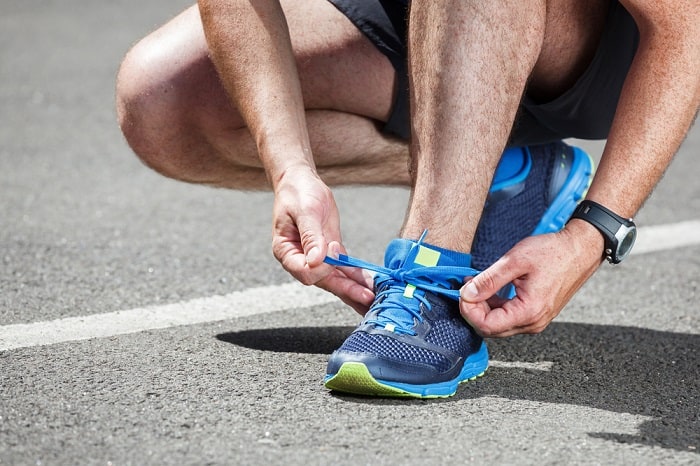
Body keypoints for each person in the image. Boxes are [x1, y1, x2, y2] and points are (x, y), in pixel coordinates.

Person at [116, 0, 699, 398]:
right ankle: (509, 174)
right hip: (423, 19)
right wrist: (291, 166)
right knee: (165, 99)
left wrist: (591, 233)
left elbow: (687, 25)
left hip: (588, 53)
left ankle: (431, 272)